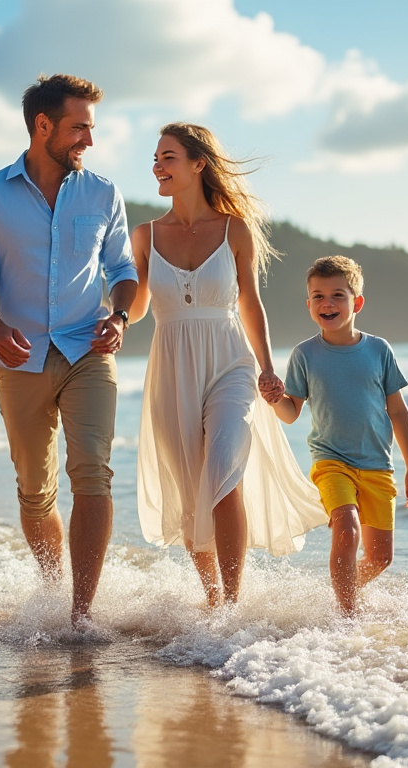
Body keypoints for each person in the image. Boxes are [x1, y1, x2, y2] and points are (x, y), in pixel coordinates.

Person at [0, 74, 138, 629]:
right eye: (79, 127)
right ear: (43, 126)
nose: (89, 139)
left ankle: (81, 615)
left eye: (91, 127)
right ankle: (54, 589)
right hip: (20, 357)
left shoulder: (103, 193)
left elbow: (123, 269)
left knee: (93, 474)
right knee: (35, 493)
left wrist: (120, 316)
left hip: (89, 350)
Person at [130, 122, 326, 607]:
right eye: (155, 158)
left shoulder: (234, 229)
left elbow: (250, 303)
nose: (157, 166)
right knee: (191, 484)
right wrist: (109, 311)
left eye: (168, 157)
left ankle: (233, 604)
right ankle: (213, 599)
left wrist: (267, 367)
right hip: (172, 367)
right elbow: (134, 309)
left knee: (222, 467)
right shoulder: (145, 236)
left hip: (230, 362)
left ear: (199, 163)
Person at [267, 255, 408, 615]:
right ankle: (347, 617)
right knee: (347, 527)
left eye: (338, 295)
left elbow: (398, 411)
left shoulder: (379, 350)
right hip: (331, 461)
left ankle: (340, 592)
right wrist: (275, 399)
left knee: (380, 557)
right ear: (309, 305)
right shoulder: (305, 354)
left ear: (357, 302)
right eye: (318, 296)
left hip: (377, 465)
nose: (328, 303)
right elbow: (290, 413)